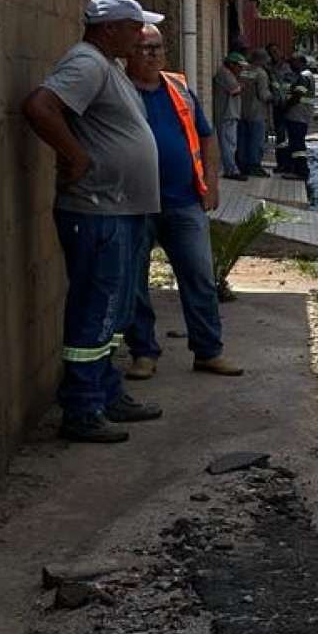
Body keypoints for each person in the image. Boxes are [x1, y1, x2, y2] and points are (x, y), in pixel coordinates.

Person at [19, 0, 170, 443]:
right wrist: (75, 156)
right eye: (133, 25)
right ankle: (83, 408)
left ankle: (106, 392)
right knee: (96, 309)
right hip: (98, 210)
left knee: (114, 311)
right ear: (109, 28)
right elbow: (39, 107)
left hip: (120, 210)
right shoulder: (86, 63)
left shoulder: (109, 66)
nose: (141, 33)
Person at [119, 24, 243, 381]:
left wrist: (212, 185)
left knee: (200, 278)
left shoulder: (178, 88)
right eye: (143, 48)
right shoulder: (118, 90)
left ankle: (208, 351)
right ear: (129, 52)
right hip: (134, 204)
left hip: (184, 201)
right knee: (135, 283)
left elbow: (206, 136)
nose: (152, 54)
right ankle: (143, 353)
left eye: (157, 47)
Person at [278, 55, 316, 179]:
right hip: (300, 115)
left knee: (298, 144)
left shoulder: (304, 76)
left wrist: (285, 107)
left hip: (298, 115)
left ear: (301, 62)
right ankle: (293, 168)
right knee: (295, 143)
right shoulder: (306, 75)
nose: (291, 66)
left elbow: (297, 95)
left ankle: (301, 171)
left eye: (293, 63)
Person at [237, 50, 273, 177]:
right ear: (261, 60)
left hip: (241, 111)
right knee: (256, 141)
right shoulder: (261, 74)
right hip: (256, 112)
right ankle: (254, 165)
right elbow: (263, 95)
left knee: (242, 140)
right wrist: (273, 97)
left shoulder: (243, 71)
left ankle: (242, 165)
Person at [211, 51, 245, 179]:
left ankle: (231, 168)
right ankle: (231, 170)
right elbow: (235, 89)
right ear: (231, 64)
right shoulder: (225, 74)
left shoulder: (228, 74)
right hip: (227, 114)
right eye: (239, 66)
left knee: (230, 143)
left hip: (230, 114)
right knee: (228, 144)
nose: (240, 69)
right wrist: (241, 86)